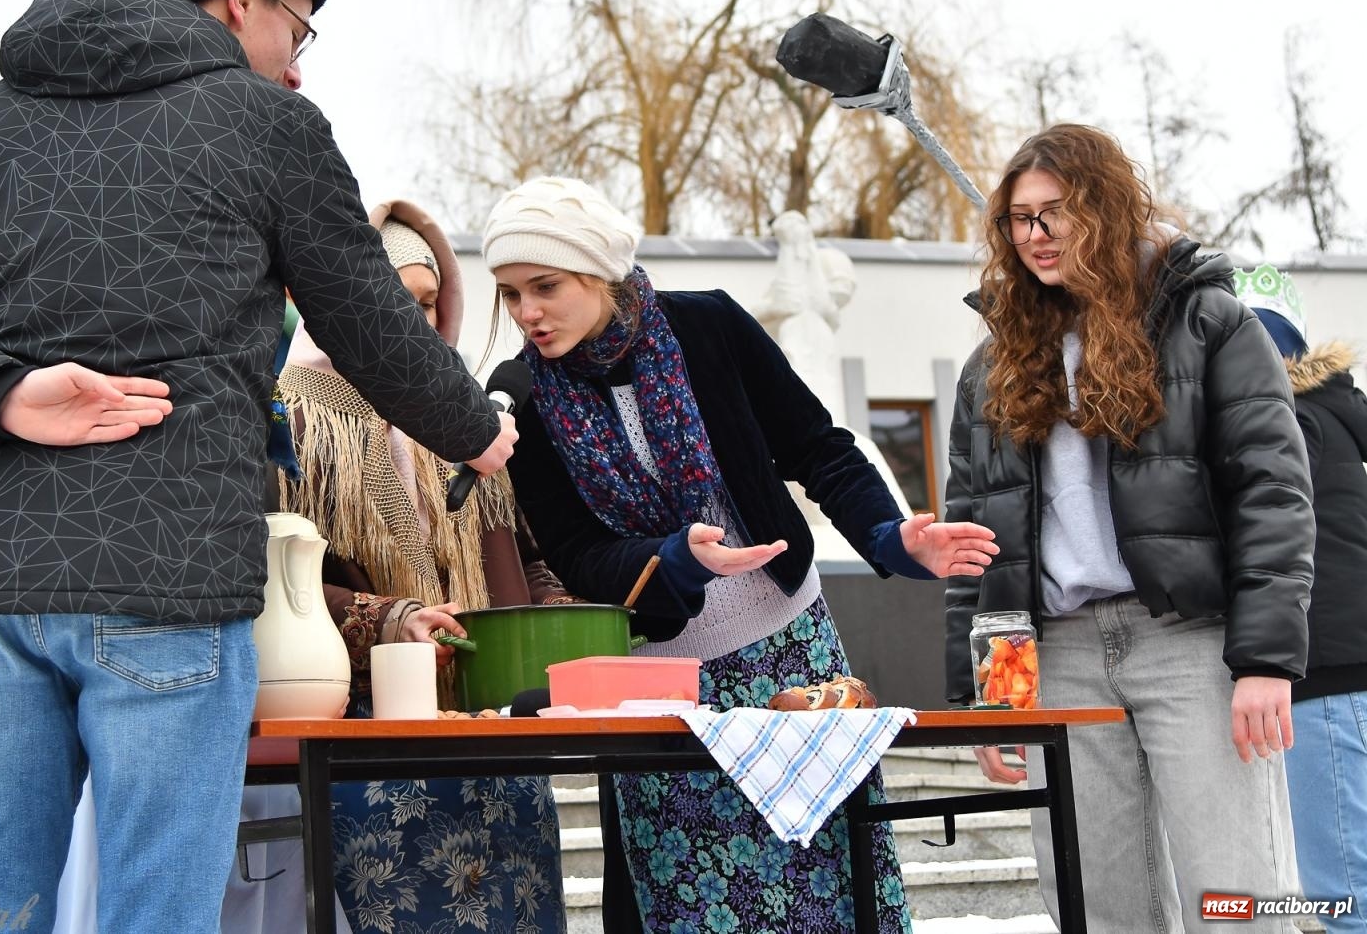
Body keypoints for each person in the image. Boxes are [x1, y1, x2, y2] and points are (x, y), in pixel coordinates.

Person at [0, 0, 515, 934]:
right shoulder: (272, 127)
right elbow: (371, 319)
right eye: (299, 24)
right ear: (242, 1)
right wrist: (476, 428)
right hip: (168, 579)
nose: (301, 58)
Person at [480, 176, 997, 933]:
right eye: (510, 293)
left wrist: (891, 537)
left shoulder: (709, 326)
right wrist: (674, 560)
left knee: (828, 891)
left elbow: (819, 450)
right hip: (661, 697)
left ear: (598, 269)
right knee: (698, 909)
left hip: (795, 659)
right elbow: (579, 557)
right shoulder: (520, 397)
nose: (527, 312)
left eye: (544, 286)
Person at [945, 125, 1313, 933]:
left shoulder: (1208, 324)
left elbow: (1272, 494)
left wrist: (1265, 660)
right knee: (1098, 908)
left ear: (1105, 210)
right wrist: (989, 696)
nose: (1033, 236)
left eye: (1055, 213)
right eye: (1018, 219)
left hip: (1191, 644)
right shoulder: (993, 364)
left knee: (1238, 901)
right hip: (1059, 653)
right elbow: (972, 530)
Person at [271, 199, 570, 934]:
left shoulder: (471, 417)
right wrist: (388, 618)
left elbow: (523, 552)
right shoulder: (283, 417)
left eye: (429, 304)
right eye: (391, 302)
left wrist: (555, 613)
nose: (414, 322)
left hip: (495, 740)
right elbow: (268, 573)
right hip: (371, 747)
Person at [1237, 264, 1367, 932]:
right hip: (1349, 673)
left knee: (1344, 892)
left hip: (1328, 678)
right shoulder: (1347, 414)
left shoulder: (1282, 423)